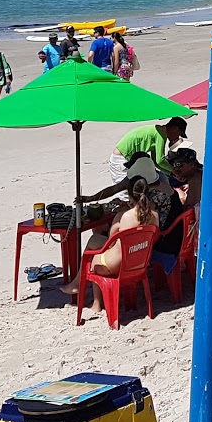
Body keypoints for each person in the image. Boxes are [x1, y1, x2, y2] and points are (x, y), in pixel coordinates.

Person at [61, 172, 159, 301]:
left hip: (116, 265)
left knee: (92, 254)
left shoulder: (123, 217)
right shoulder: (155, 215)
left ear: (129, 195)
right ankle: (80, 287)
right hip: (139, 262)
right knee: (95, 240)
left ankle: (92, 298)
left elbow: (111, 242)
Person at [109, 117, 188, 181]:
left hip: (125, 159)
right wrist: (174, 171)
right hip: (121, 159)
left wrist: (172, 174)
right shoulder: (160, 135)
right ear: (175, 129)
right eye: (179, 134)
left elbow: (155, 162)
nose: (178, 138)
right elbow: (160, 161)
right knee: (125, 192)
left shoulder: (157, 131)